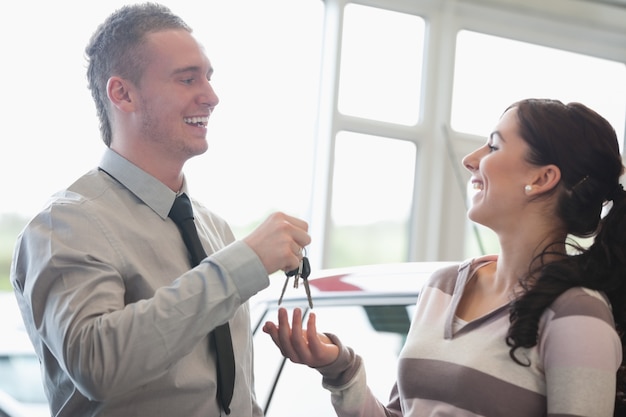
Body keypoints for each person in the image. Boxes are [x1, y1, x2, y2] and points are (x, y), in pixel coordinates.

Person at [10, 3, 310, 417]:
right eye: (188, 79)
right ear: (123, 94)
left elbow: (227, 394)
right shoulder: (65, 225)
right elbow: (97, 365)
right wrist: (246, 262)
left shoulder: (216, 230)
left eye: (208, 77)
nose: (212, 96)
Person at [264, 98, 626, 417]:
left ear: (543, 177)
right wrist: (340, 370)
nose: (471, 160)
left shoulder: (576, 314)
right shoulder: (443, 286)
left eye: (493, 147)